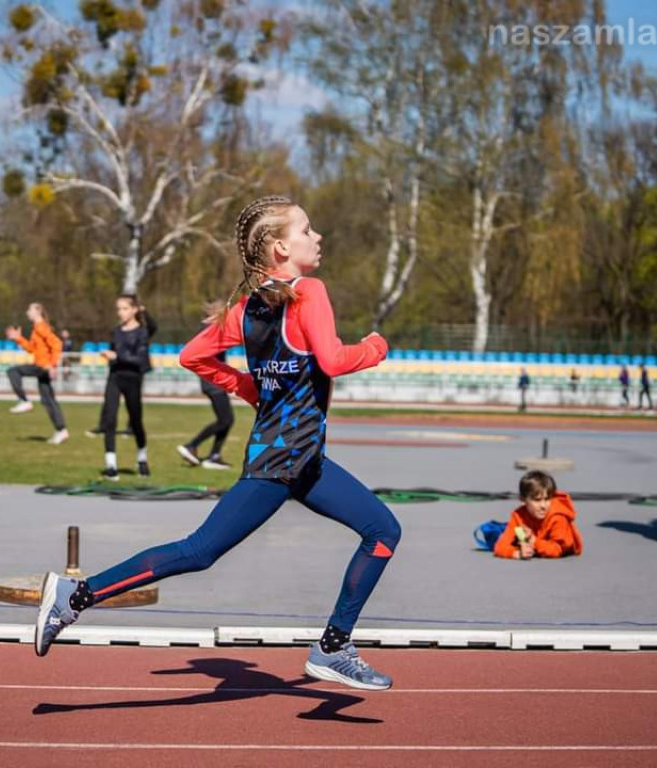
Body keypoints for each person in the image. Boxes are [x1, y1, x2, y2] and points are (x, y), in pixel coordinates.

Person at [33, 195, 400, 691]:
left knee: (382, 529)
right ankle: (74, 596)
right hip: (281, 460)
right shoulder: (309, 291)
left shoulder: (249, 309)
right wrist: (375, 348)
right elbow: (333, 360)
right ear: (279, 248)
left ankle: (334, 646)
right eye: (307, 230)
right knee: (200, 551)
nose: (318, 238)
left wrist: (252, 389)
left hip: (303, 459)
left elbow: (193, 356)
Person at [99, 295, 155, 480]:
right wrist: (110, 357)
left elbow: (138, 359)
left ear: (134, 310)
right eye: (118, 309)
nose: (120, 312)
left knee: (136, 420)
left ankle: (142, 459)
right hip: (115, 377)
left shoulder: (142, 332)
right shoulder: (116, 331)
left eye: (124, 308)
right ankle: (111, 465)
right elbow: (114, 354)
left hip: (133, 378)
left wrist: (116, 356)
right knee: (110, 419)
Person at [178, 302, 235, 470]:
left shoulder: (212, 331)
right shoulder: (212, 332)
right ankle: (192, 445)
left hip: (213, 381)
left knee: (226, 420)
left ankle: (214, 455)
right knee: (226, 419)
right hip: (212, 381)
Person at [5, 303, 68, 445]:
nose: (27, 312)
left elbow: (57, 343)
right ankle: (61, 430)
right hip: (42, 368)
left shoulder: (41, 327)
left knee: (13, 371)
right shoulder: (36, 329)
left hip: (42, 367)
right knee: (48, 400)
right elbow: (32, 349)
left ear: (38, 311)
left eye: (30, 309)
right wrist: (18, 338)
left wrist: (52, 365)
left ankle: (24, 401)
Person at [493, 471, 583, 559]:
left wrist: (533, 541)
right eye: (537, 500)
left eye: (547, 499)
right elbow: (500, 547)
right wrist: (518, 553)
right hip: (538, 545)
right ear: (523, 499)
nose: (543, 506)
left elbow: (557, 550)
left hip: (560, 549)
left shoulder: (557, 517)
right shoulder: (518, 516)